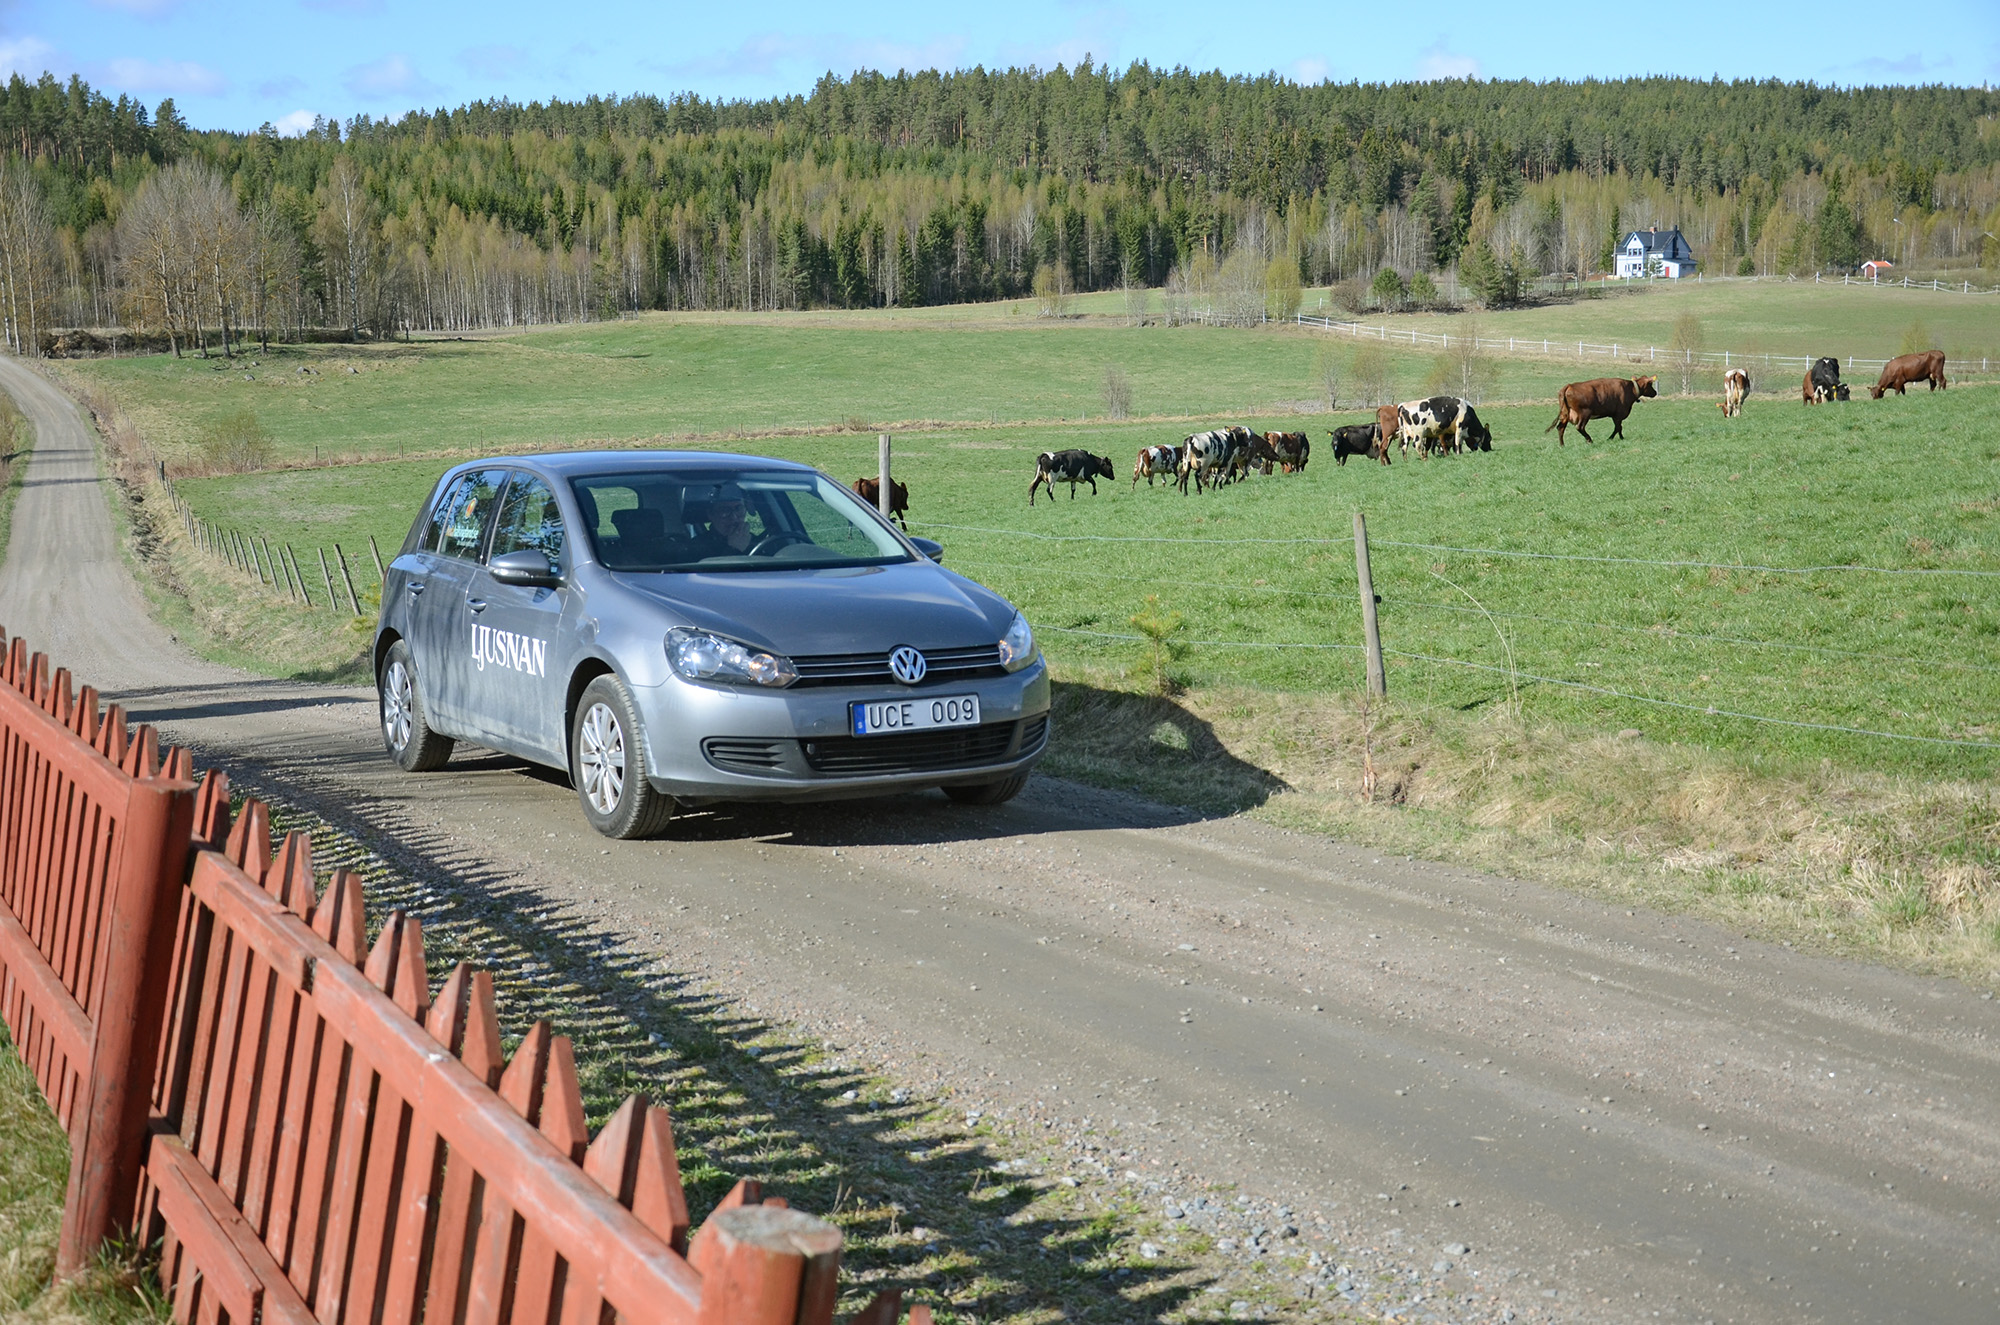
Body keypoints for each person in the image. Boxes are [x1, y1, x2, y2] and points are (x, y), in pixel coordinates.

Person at [691, 484, 756, 556]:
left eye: (739, 509)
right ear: (710, 514)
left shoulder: (755, 541)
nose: (734, 517)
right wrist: (734, 548)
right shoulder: (696, 547)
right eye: (725, 511)